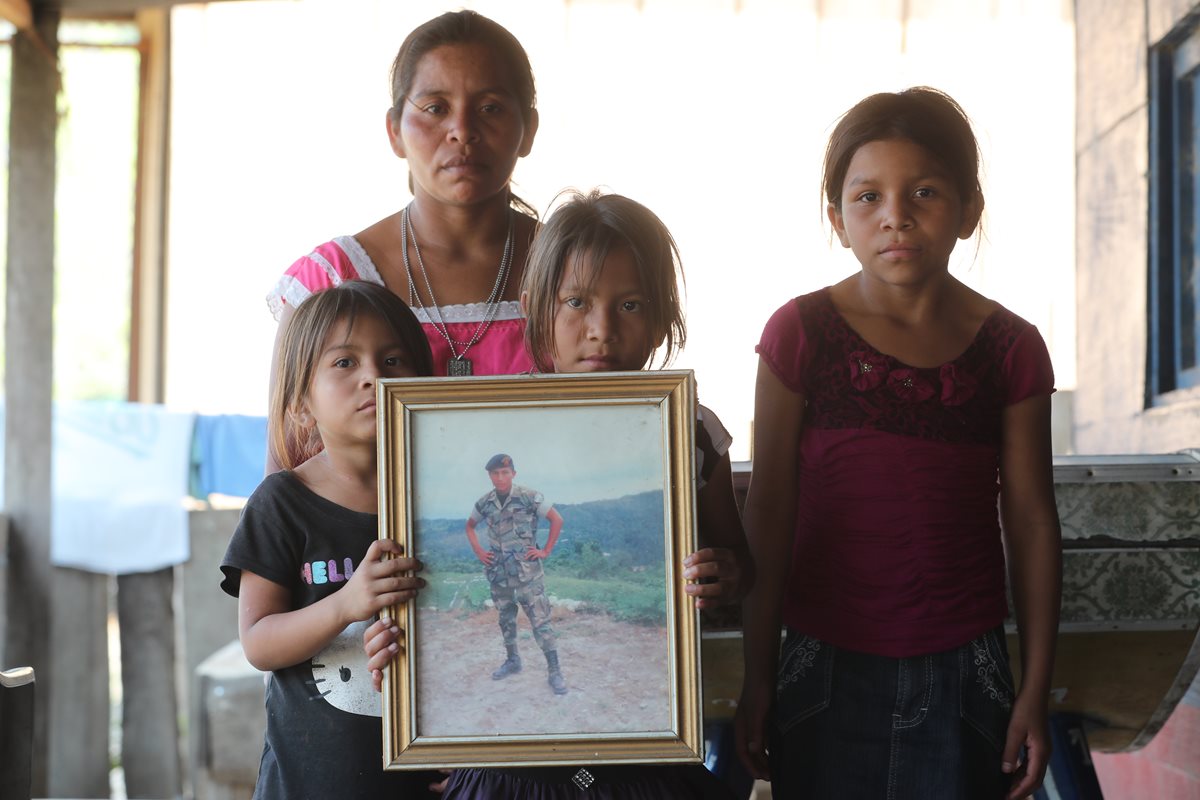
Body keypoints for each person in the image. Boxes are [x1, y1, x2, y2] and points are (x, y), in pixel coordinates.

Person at [364, 190, 753, 799]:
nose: (602, 330)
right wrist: (419, 673)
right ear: (534, 310)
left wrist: (722, 574)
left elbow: (741, 566)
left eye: (630, 304)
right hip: (509, 772)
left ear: (661, 316)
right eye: (576, 303)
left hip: (647, 756)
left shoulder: (691, 430)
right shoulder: (485, 422)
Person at [734, 87, 1062, 800]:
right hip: (822, 661)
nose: (895, 218)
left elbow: (1033, 521)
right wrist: (758, 676)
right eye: (867, 197)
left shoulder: (1012, 349)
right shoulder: (800, 335)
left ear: (969, 210)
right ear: (836, 217)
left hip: (966, 669)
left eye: (923, 192)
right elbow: (769, 510)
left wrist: (1033, 691)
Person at [265, 9, 540, 469]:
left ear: (528, 129)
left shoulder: (575, 274)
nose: (462, 131)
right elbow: (283, 477)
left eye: (490, 107)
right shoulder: (330, 281)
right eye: (435, 108)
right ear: (395, 131)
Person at [220, 281, 439, 799]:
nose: (373, 376)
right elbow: (258, 641)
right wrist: (347, 603)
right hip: (312, 784)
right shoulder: (282, 503)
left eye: (392, 359)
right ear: (301, 399)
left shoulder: (442, 500)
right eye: (345, 363)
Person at [466, 453, 569, 694]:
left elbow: (557, 519)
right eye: (495, 473)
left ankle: (554, 671)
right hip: (499, 574)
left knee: (541, 622)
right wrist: (480, 551)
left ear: (513, 473)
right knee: (506, 619)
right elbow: (470, 526)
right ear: (490, 476)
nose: (500, 477)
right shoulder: (485, 502)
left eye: (505, 472)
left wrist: (545, 550)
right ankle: (513, 661)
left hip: (527, 574)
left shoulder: (529, 497)